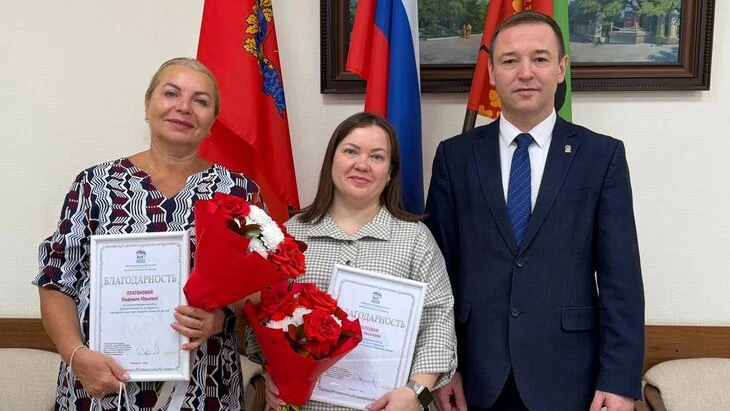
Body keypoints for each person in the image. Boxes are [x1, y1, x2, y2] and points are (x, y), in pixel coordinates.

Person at [424, 11, 644, 411]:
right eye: (510, 60)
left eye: (540, 59)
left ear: (561, 68)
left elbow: (621, 281)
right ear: (492, 73)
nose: (525, 72)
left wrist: (619, 381)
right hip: (475, 377)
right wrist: (442, 367)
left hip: (570, 378)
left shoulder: (602, 156)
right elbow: (438, 275)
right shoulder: (455, 157)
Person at [33, 57, 262, 410]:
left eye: (200, 101)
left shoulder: (238, 192)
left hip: (204, 386)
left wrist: (220, 320)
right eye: (171, 93)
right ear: (147, 104)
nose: (184, 107)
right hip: (102, 386)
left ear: (212, 121)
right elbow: (57, 280)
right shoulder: (95, 185)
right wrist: (74, 354)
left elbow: (262, 289)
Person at [248, 112, 457, 411]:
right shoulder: (290, 235)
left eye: (377, 156)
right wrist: (272, 375)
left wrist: (416, 393)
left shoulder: (416, 240)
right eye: (351, 151)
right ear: (332, 160)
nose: (362, 164)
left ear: (390, 172)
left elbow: (438, 323)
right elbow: (264, 317)